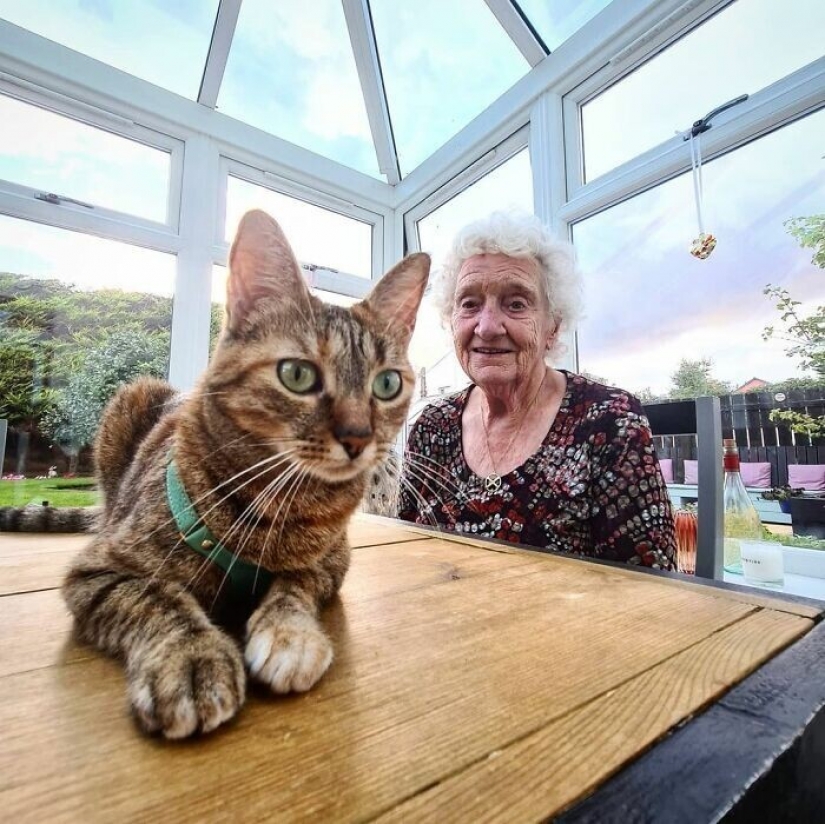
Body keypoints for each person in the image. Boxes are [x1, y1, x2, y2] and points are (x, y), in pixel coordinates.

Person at [397, 211, 676, 569]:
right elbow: (404, 550)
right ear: (450, 320)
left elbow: (649, 584)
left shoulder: (611, 421)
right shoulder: (432, 427)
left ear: (553, 327)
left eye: (516, 304)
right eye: (469, 303)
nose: (487, 326)